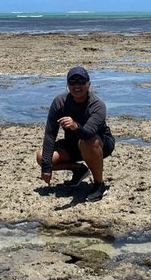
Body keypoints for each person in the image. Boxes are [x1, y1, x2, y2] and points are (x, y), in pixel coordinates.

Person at [36, 66, 115, 202]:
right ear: (67, 84)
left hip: (99, 144)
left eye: (81, 81)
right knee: (42, 157)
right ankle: (79, 170)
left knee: (87, 141)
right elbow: (50, 134)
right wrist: (47, 168)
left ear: (88, 84)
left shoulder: (97, 105)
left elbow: (89, 133)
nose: (77, 85)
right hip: (73, 144)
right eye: (72, 82)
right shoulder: (59, 102)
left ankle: (99, 185)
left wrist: (76, 126)